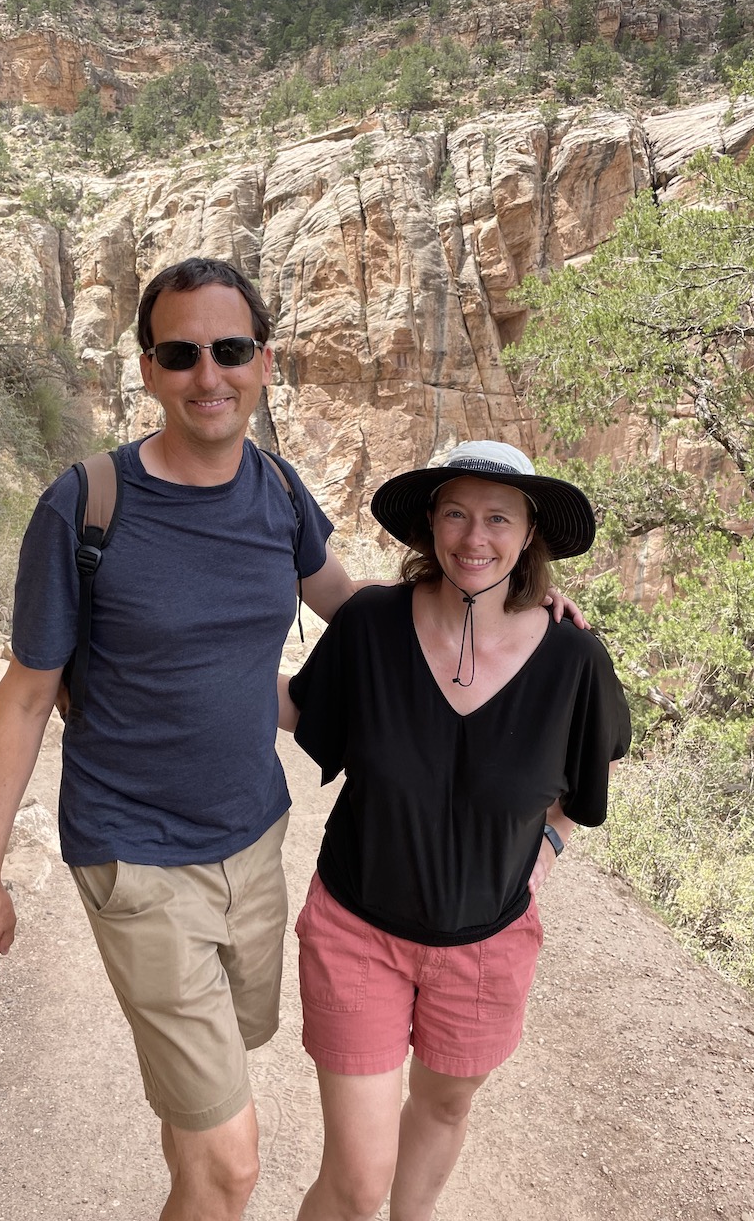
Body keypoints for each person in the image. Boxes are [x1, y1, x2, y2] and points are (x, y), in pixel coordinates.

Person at [0, 254, 585, 1221]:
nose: (209, 374)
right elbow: (30, 694)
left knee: (214, 1095)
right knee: (233, 1163)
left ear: (265, 361)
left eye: (231, 348)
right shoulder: (84, 506)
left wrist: (502, 607)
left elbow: (355, 608)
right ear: (150, 368)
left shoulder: (278, 493)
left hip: (255, 843)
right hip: (135, 854)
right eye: (181, 352)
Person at [278, 440, 631, 1221]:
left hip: (487, 947)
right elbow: (304, 707)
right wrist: (182, 665)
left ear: (529, 531)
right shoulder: (372, 624)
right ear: (431, 526)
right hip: (356, 931)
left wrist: (548, 851)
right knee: (358, 1180)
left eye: (499, 517)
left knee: (442, 1110)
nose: (476, 537)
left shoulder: (574, 659)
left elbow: (585, 784)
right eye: (456, 513)